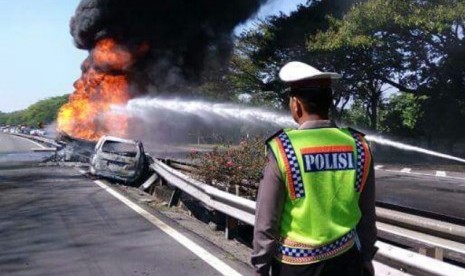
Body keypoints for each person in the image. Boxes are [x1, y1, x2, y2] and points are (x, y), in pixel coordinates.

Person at [251, 61, 377, 276]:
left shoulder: (283, 148)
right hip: (347, 261)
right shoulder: (359, 145)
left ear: (296, 104)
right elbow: (367, 213)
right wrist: (366, 256)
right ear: (329, 101)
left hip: (296, 266)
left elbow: (267, 220)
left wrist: (260, 267)